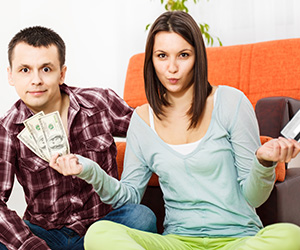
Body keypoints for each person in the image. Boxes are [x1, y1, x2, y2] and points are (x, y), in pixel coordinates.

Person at [50, 11, 300, 250]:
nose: (172, 68)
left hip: (238, 240)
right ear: (151, 61)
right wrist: (89, 170)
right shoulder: (142, 120)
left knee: (290, 236)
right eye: (162, 56)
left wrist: (263, 163)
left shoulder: (231, 102)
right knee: (99, 234)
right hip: (177, 242)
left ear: (197, 57)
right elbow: (128, 198)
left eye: (183, 55)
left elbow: (253, 197)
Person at [0, 26, 157, 250]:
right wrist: (31, 245)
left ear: (62, 73)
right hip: (47, 233)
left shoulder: (99, 102)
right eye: (25, 70)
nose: (36, 80)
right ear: (10, 75)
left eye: (46, 69)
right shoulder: (7, 129)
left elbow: (147, 130)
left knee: (141, 217)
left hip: (103, 224)